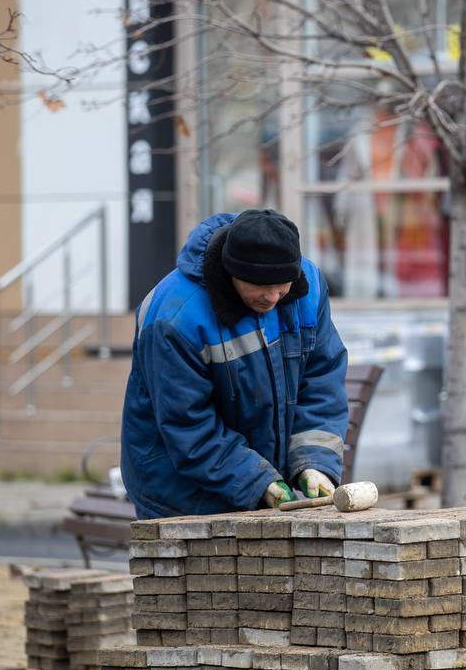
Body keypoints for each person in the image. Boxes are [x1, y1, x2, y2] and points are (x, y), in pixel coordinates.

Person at [121, 209, 348, 519]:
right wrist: (258, 481)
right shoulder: (174, 318)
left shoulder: (309, 288)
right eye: (258, 286)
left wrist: (314, 462)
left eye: (282, 285)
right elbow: (188, 424)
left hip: (258, 482)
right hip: (179, 492)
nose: (271, 297)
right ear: (231, 272)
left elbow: (321, 381)